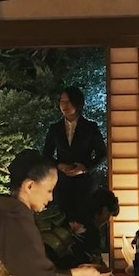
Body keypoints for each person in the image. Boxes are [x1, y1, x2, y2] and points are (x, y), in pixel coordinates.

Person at [42, 87, 107, 223]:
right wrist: (59, 166)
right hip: (61, 183)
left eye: (68, 102)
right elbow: (46, 155)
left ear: (77, 103)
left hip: (85, 184)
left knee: (85, 221)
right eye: (62, 101)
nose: (64, 105)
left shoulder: (90, 127)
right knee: (63, 221)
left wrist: (85, 168)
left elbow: (103, 154)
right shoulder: (55, 128)